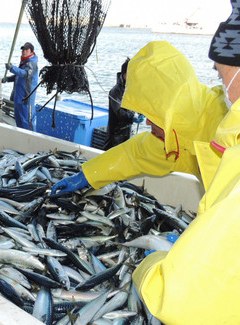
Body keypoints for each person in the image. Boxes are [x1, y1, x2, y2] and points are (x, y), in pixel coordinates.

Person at [132, 1, 240, 323]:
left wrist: (153, 265)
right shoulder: (186, 126)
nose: (224, 88)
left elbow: (177, 298)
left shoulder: (217, 121)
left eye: (223, 73)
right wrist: (89, 173)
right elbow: (141, 151)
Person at [51, 40, 227, 196]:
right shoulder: (170, 140)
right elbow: (133, 155)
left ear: (169, 109)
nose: (148, 122)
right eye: (144, 114)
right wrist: (87, 175)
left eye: (152, 114)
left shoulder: (228, 120)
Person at [103, 57, 144, 150]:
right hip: (115, 133)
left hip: (127, 130)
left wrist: (141, 113)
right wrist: (132, 117)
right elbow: (118, 111)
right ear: (124, 74)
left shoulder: (131, 88)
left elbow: (137, 102)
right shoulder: (115, 91)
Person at [4, 42, 39, 131]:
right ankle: (22, 137)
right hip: (18, 97)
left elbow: (25, 74)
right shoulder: (24, 62)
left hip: (26, 98)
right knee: (19, 119)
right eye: (23, 49)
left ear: (31, 51)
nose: (24, 51)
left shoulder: (32, 63)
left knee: (27, 121)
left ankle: (32, 139)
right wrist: (7, 79)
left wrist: (12, 68)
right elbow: (18, 76)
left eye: (26, 49)